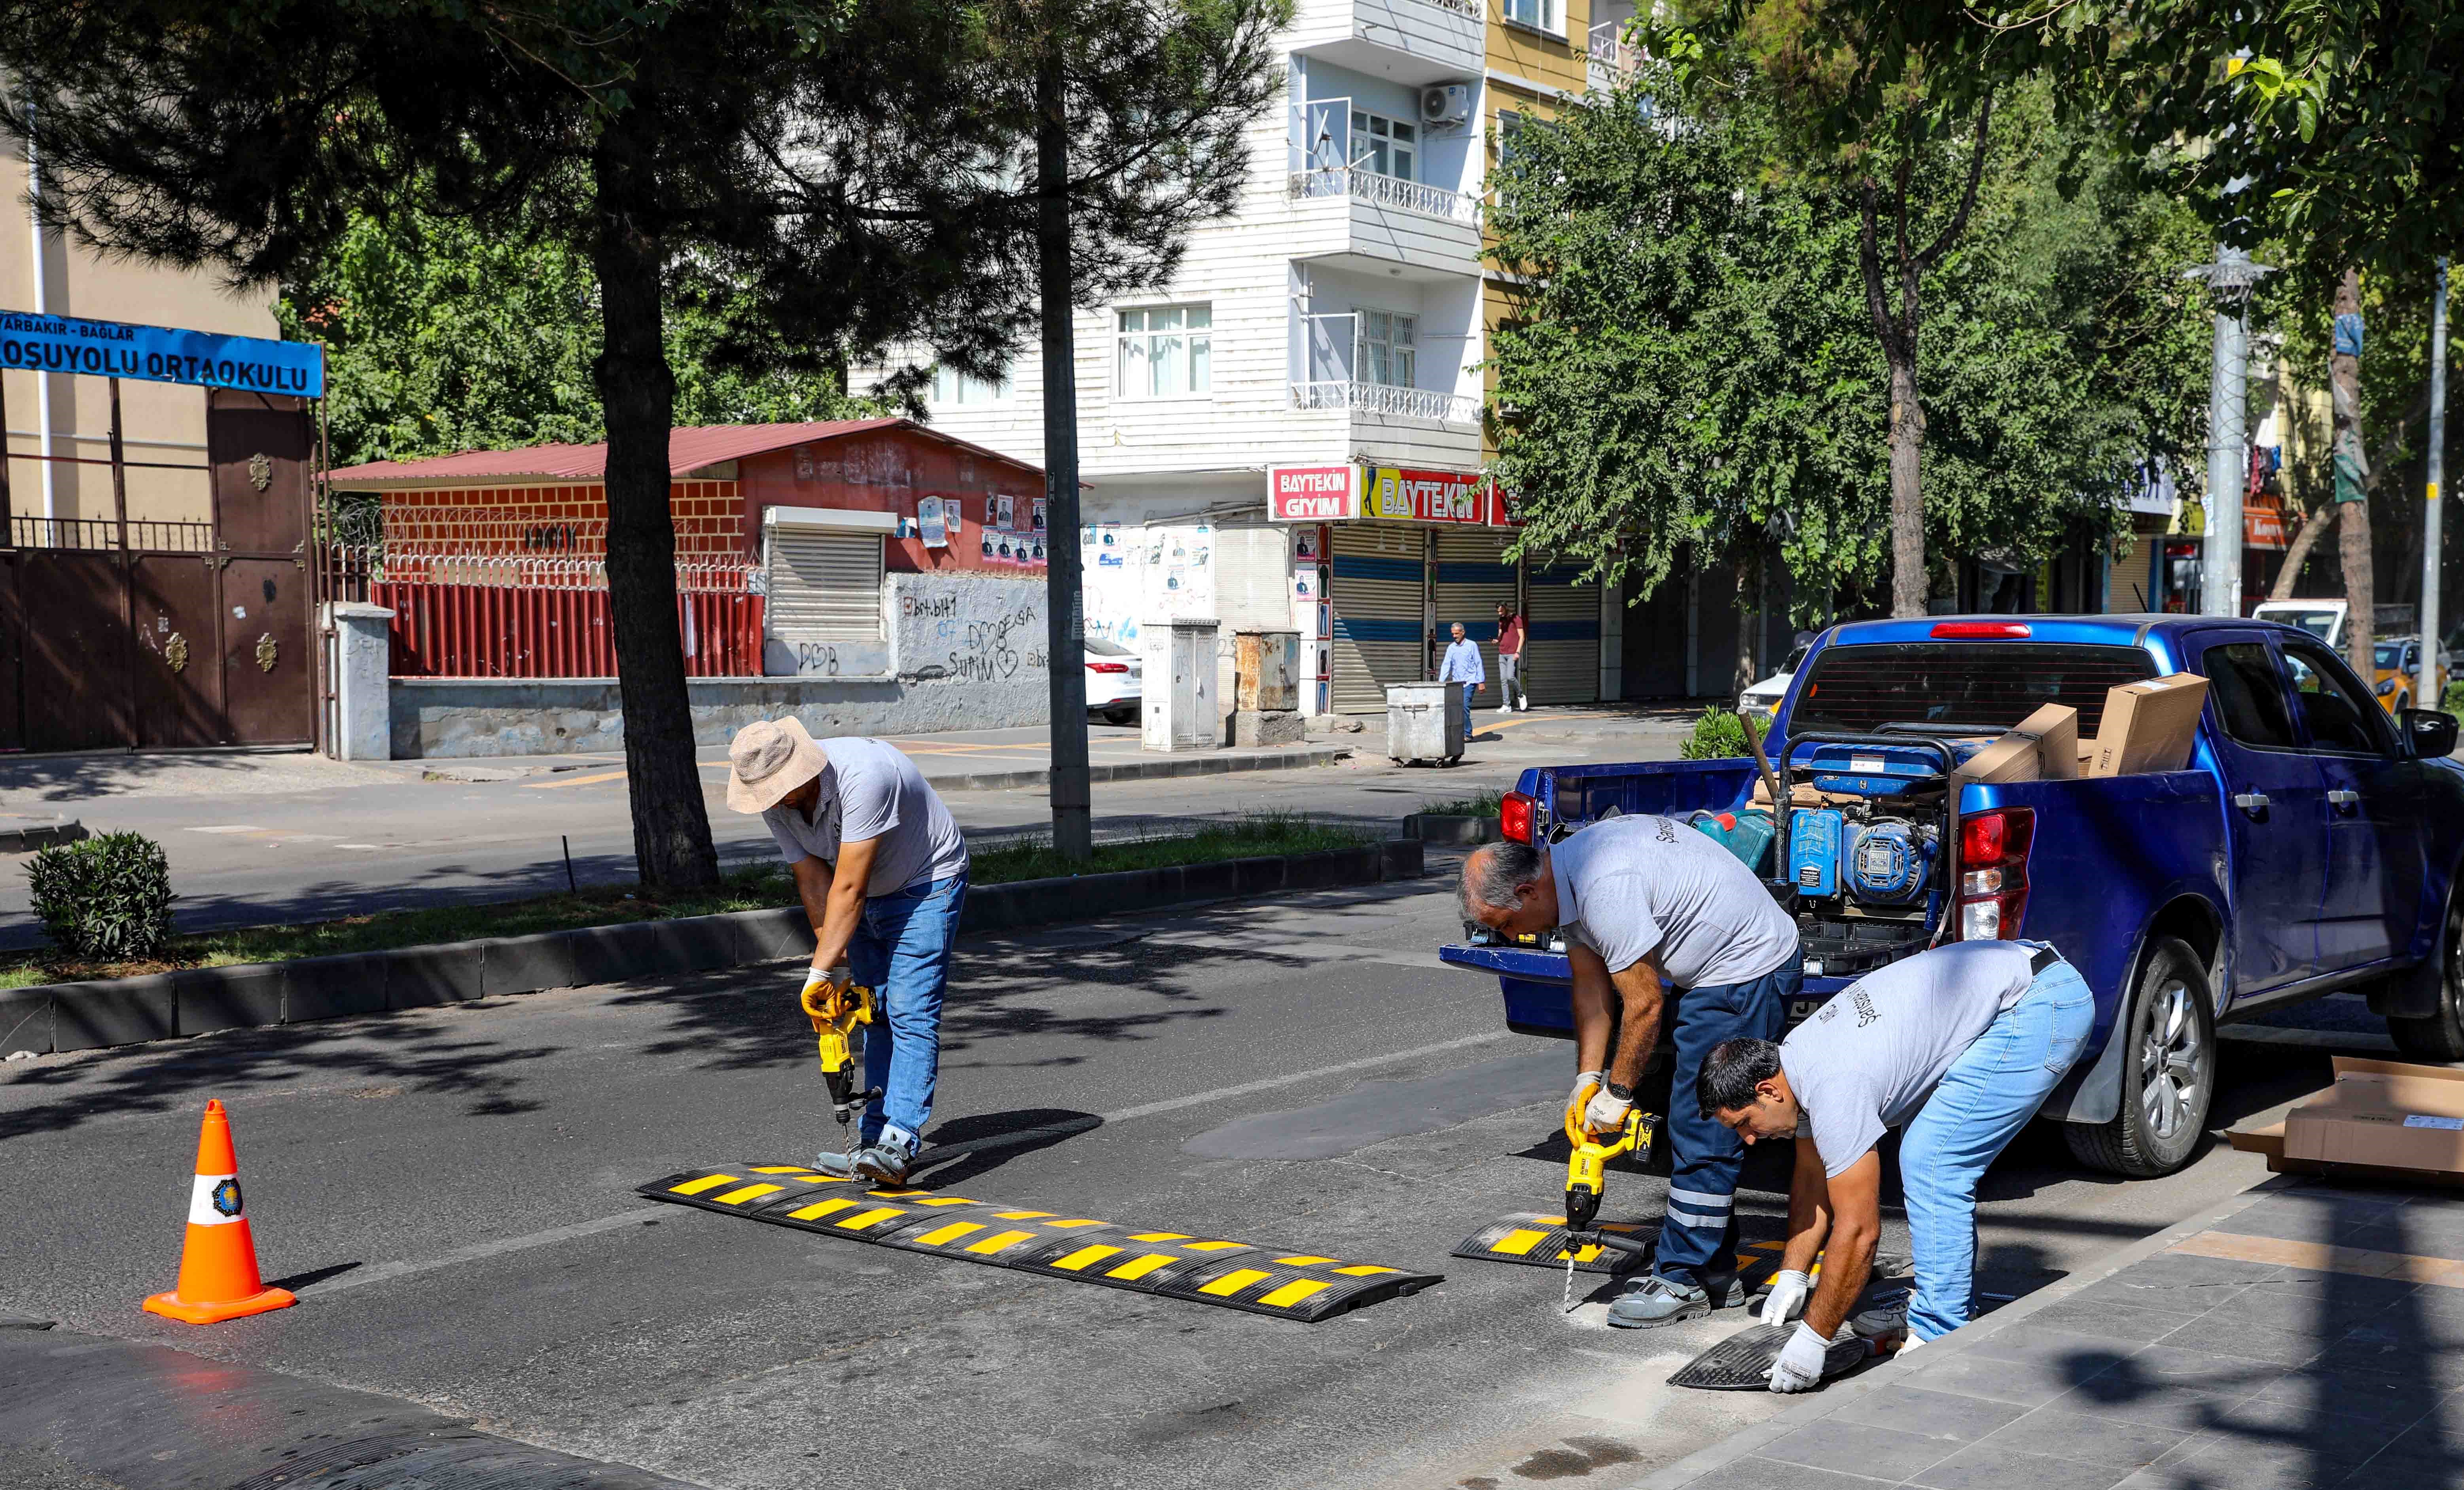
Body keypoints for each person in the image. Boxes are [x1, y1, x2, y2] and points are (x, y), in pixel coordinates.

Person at [1697, 940, 2094, 1392]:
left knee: (1932, 1159)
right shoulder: (1797, 1060)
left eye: (1746, 1123)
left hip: (2041, 1002)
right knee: (1926, 1146)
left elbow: (1861, 1231)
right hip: (2019, 983)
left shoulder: (1835, 1087)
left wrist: (1813, 1338)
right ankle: (1934, 1299)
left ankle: (1940, 1327)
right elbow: (1812, 1176)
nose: (1749, 1139)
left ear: (1769, 1091)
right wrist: (1793, 1272)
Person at [1460, 820, 1802, 1326]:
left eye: (1506, 923)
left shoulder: (1603, 888)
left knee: (1705, 1125)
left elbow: (1643, 1004)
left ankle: (1682, 1278)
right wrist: (1587, 1080)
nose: (1513, 935)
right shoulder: (1568, 875)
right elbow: (1591, 994)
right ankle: (1714, 1272)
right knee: (1694, 1125)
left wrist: (1618, 1094)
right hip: (1711, 968)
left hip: (1745, 970)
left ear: (1527, 890)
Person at [725, 716, 971, 1184]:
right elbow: (813, 877)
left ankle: (898, 1141)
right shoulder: (776, 800)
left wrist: (814, 974)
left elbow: (850, 885)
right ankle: (871, 1141)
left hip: (926, 883)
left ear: (800, 771)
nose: (772, 801)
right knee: (872, 1011)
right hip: (861, 892)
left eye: (779, 789)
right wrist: (832, 964)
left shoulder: (864, 776)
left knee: (909, 1010)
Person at [1438, 621, 1485, 738]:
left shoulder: (1472, 645)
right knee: (1456, 708)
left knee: (1464, 706)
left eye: (1457, 634)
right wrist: (1440, 683)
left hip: (1470, 681)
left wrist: (1481, 682)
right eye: (1453, 634)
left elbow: (1478, 663)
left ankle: (1468, 734)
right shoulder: (1451, 648)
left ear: (1463, 632)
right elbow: (1446, 665)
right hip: (1457, 683)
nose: (1455, 636)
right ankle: (1458, 733)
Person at [1496, 602, 1528, 713]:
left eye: (1501, 611)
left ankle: (1521, 695)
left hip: (1512, 653)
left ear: (1506, 608)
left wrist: (1518, 652)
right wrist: (1497, 640)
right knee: (1503, 680)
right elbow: (1500, 636)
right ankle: (1506, 705)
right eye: (1498, 612)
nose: (1499, 613)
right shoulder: (1501, 620)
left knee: (1510, 677)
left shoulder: (1516, 619)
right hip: (1502, 653)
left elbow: (1522, 637)